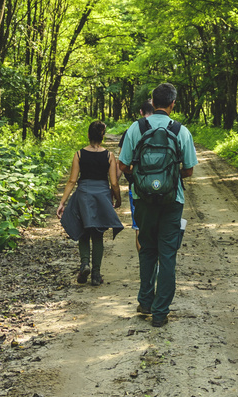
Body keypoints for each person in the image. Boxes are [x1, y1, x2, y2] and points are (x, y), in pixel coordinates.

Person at [118, 83, 197, 328]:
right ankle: (161, 312)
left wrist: (142, 179)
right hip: (172, 200)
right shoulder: (181, 131)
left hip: (143, 199)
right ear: (173, 104)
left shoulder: (136, 127)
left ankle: (145, 302)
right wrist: (168, 177)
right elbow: (189, 170)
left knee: (147, 249)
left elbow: (122, 165)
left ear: (152, 102)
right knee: (168, 254)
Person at [57, 120, 124, 286]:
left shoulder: (79, 154)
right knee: (98, 234)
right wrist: (118, 198)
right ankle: (96, 274)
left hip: (84, 195)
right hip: (101, 196)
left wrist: (62, 202)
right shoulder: (109, 156)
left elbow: (72, 180)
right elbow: (114, 183)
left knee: (84, 232)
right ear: (102, 137)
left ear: (88, 135)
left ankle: (84, 264)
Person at [119, 100, 156, 253]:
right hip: (165, 188)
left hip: (138, 188)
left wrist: (113, 184)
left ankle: (145, 266)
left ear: (141, 112)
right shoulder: (171, 127)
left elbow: (122, 163)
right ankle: (159, 267)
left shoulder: (132, 129)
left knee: (139, 228)